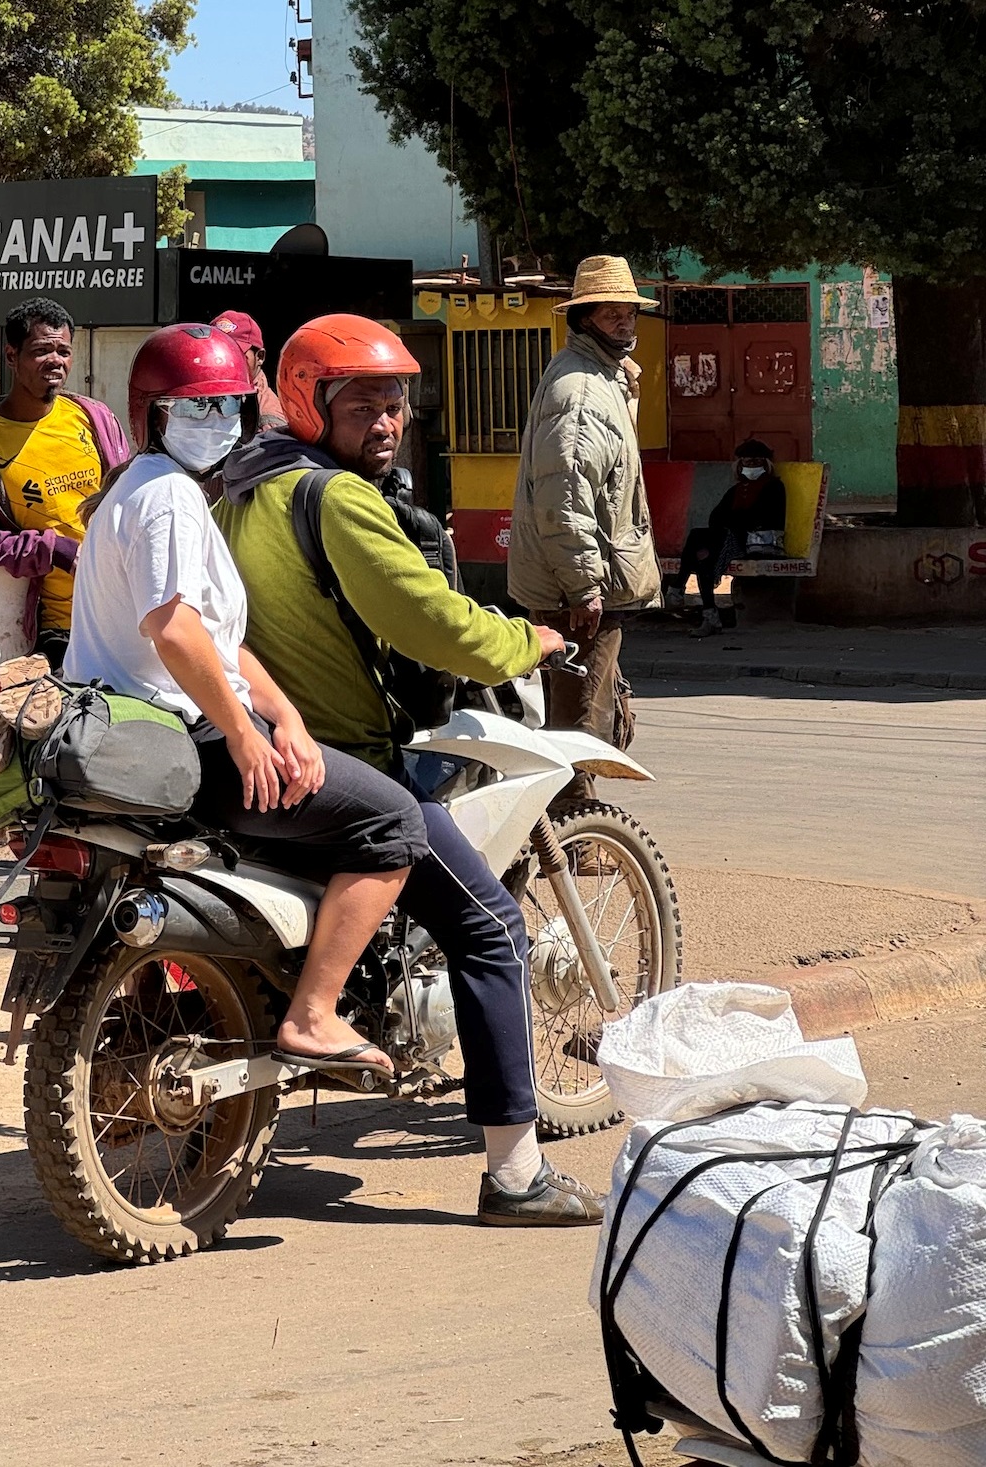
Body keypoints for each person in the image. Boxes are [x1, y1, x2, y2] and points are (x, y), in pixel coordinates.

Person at [217, 314, 602, 1227]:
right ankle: (515, 1176)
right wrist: (524, 640)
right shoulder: (337, 500)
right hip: (344, 760)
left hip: (255, 755)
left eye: (397, 404)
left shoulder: (238, 486)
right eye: (363, 406)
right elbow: (427, 618)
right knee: (493, 927)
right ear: (312, 405)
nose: (387, 423)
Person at [66, 323, 429, 1083]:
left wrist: (284, 715)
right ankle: (313, 1014)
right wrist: (242, 733)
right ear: (151, 415)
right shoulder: (168, 495)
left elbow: (217, 636)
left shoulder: (140, 489)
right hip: (186, 740)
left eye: (227, 406)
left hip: (150, 734)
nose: (214, 423)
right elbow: (173, 631)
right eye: (192, 409)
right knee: (395, 822)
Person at [508, 255, 662, 804]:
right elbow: (565, 498)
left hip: (581, 583)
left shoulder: (602, 379)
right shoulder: (581, 393)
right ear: (584, 317)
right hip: (575, 590)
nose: (624, 322)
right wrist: (584, 586)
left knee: (588, 711)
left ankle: (575, 837)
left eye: (630, 312)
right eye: (611, 312)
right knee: (580, 725)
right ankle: (576, 844)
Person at [0, 297, 130, 670]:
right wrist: (56, 552)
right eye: (41, 351)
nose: (56, 361)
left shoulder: (94, 418)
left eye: (64, 351)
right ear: (11, 356)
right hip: (56, 630)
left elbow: (129, 501)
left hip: (124, 617)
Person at [663, 438, 788, 637]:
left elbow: (758, 518)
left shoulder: (773, 487)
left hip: (751, 543)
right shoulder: (736, 490)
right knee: (703, 559)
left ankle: (678, 586)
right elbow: (717, 517)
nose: (752, 466)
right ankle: (709, 616)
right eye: (747, 462)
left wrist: (732, 521)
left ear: (766, 465)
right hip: (726, 539)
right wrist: (731, 522)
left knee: (700, 540)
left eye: (756, 462)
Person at [211, 311, 286, 430]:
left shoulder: (268, 423)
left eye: (235, 354)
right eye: (215, 353)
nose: (224, 362)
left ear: (260, 357)